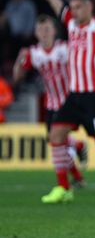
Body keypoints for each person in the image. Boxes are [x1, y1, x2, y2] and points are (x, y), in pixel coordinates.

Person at [16, 0, 95, 206]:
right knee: (56, 134)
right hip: (74, 95)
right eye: (71, 7)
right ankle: (64, 187)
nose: (72, 11)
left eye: (78, 7)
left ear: (88, 7)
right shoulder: (70, 24)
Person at [13, 15, 88, 193]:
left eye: (47, 29)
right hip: (52, 104)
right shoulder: (33, 53)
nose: (44, 33)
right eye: (40, 30)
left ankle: (64, 186)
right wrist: (19, 60)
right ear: (35, 33)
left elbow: (81, 63)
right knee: (57, 143)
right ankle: (77, 163)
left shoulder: (64, 48)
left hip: (69, 101)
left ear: (55, 31)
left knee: (57, 142)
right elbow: (17, 77)